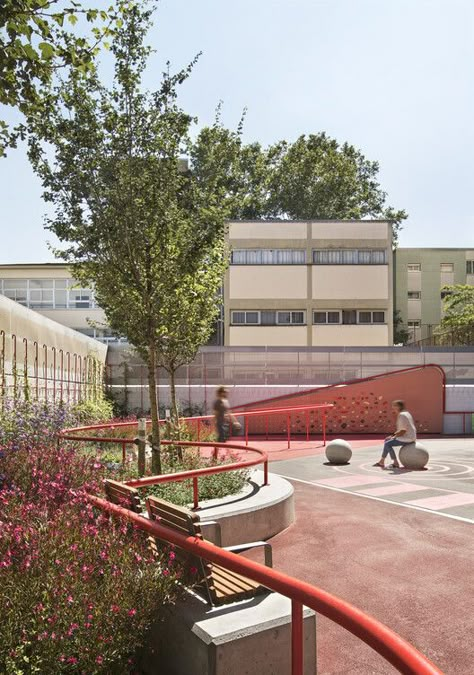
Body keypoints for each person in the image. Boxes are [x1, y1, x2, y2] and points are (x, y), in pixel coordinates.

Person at [373, 400, 417, 469]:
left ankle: (395, 463)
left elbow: (403, 430)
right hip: (410, 436)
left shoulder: (402, 415)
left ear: (399, 407)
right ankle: (382, 461)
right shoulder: (406, 413)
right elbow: (402, 430)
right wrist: (392, 436)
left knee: (388, 443)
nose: (392, 407)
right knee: (387, 440)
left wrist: (394, 436)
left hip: (408, 438)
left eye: (395, 405)